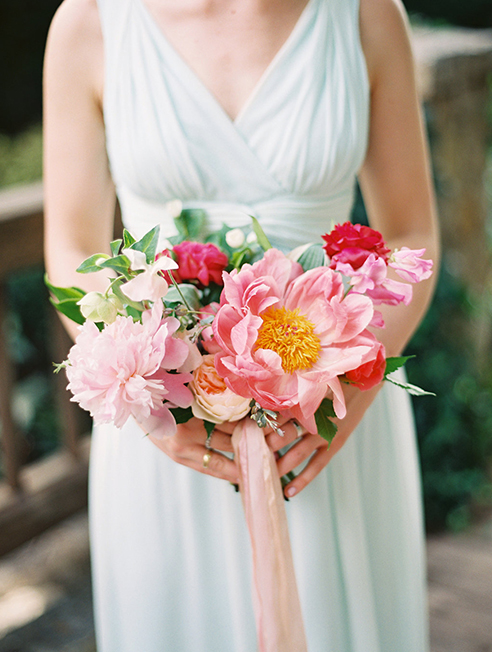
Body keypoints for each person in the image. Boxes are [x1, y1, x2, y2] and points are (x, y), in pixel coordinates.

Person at [43, 0, 440, 650]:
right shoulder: (89, 22)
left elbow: (410, 231)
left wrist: (358, 379)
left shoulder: (366, 14)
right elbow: (72, 245)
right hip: (171, 426)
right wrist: (145, 393)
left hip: (327, 419)